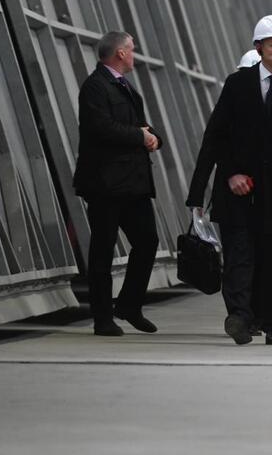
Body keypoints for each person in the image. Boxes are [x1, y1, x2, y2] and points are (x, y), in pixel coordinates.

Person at [186, 15, 272, 345]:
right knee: (239, 255)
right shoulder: (237, 84)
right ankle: (240, 317)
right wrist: (207, 186)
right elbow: (216, 136)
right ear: (258, 48)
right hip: (238, 190)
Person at [73, 31, 163, 337]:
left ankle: (129, 305)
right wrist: (140, 136)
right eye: (132, 49)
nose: (134, 54)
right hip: (105, 183)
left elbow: (139, 123)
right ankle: (102, 317)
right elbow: (101, 127)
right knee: (103, 249)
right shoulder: (96, 86)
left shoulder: (123, 85)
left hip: (132, 183)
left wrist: (154, 137)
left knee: (147, 241)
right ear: (121, 53)